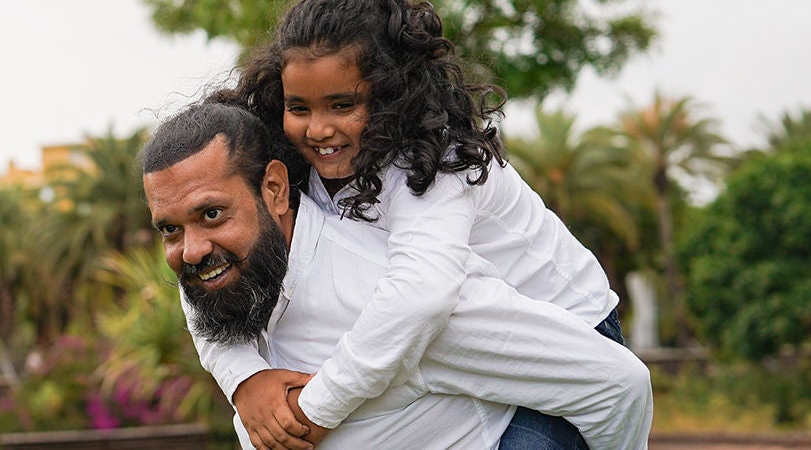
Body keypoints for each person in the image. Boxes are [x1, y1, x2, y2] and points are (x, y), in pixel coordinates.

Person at [206, 0, 631, 448]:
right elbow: (207, 253)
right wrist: (243, 378)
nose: (318, 129)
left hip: (565, 335)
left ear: (389, 91)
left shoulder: (437, 163)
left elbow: (419, 294)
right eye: (299, 107)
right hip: (461, 340)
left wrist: (319, 408)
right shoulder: (288, 161)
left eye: (342, 104)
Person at [140, 103, 650, 448]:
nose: (192, 249)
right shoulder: (238, 285)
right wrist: (242, 378)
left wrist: (318, 407)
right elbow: (197, 280)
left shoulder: (394, 292)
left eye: (212, 215)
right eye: (169, 229)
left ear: (274, 189)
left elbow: (618, 385)